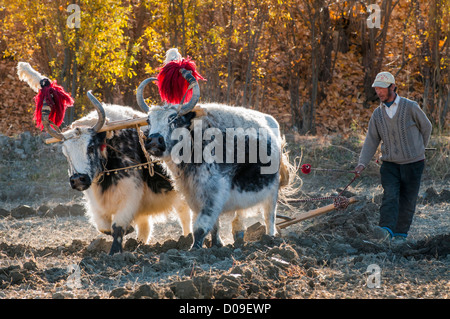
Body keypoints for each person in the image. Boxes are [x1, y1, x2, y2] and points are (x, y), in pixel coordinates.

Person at [354, 71, 432, 244]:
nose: (379, 93)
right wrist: (362, 163)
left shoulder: (410, 107)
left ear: (393, 87)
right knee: (390, 195)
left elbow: (426, 127)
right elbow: (371, 141)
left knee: (407, 199)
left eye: (382, 89)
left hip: (414, 163)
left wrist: (418, 149)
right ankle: (385, 231)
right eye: (377, 89)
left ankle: (400, 235)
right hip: (389, 164)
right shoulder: (377, 114)